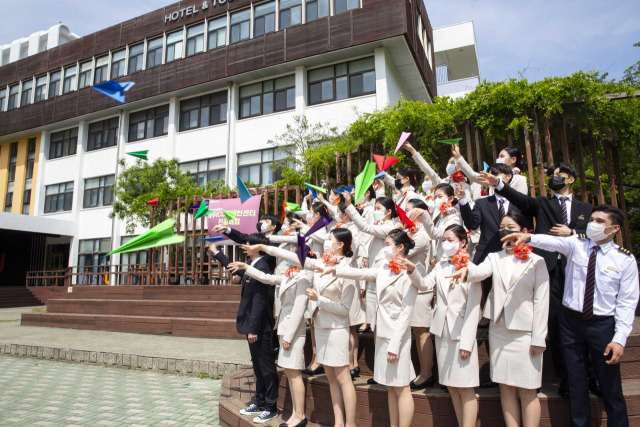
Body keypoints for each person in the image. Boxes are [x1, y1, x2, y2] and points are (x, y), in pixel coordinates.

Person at [501, 205, 639, 427]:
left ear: (615, 228)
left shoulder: (625, 260)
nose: (592, 224)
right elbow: (551, 242)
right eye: (591, 219)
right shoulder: (578, 244)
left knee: (610, 385)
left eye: (600, 221)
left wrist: (619, 338)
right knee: (575, 383)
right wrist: (526, 237)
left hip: (602, 326)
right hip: (570, 323)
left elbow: (627, 302)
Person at [478, 162, 594, 396]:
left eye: (560, 175)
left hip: (576, 272)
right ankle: (565, 378)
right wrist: (499, 184)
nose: (555, 178)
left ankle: (589, 375)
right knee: (555, 323)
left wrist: (572, 233)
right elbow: (520, 199)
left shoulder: (586, 208)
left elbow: (593, 232)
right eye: (552, 176)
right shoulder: (542, 204)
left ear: (571, 179)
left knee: (579, 323)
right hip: (548, 268)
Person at [251, 228, 359, 427]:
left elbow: (345, 310)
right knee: (331, 379)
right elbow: (293, 256)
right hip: (321, 327)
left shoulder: (347, 269)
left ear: (341, 244)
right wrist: (265, 247)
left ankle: (350, 424)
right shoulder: (321, 263)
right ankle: (338, 422)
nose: (326, 241)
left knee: (343, 378)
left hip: (337, 329)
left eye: (329, 238)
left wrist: (320, 300)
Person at [450, 213, 549, 427]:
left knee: (528, 388)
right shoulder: (496, 257)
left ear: (524, 231)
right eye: (502, 226)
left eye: (510, 226)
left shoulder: (537, 261)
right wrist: (465, 266)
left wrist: (539, 337)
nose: (504, 230)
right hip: (499, 329)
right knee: (505, 386)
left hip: (526, 332)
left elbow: (542, 301)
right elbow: (479, 273)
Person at [316, 229, 420, 427]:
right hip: (382, 334)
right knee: (390, 387)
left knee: (402, 387)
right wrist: (334, 270)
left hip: (397, 338)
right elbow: (361, 272)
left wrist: (395, 345)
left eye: (388, 244)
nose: (385, 248)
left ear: (400, 248)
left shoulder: (410, 274)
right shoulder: (385, 269)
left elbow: (406, 314)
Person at [228, 245, 313, 427]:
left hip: (293, 332)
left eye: (292, 253)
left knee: (295, 374)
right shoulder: (291, 275)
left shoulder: (305, 277)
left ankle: (300, 416)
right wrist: (246, 267)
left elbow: (299, 310)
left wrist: (289, 337)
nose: (288, 257)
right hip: (284, 329)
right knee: (290, 374)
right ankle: (296, 415)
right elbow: (267, 278)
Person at [408, 225, 482, 427]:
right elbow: (424, 285)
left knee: (466, 388)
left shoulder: (472, 269)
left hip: (461, 334)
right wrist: (412, 270)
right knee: (451, 385)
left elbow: (474, 307)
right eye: (444, 240)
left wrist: (467, 342)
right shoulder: (440, 266)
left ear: (463, 242)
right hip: (442, 331)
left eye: (451, 240)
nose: (446, 244)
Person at [209, 242, 279, 424]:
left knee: (266, 367)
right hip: (253, 325)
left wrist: (253, 328)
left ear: (258, 248)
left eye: (249, 245)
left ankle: (271, 407)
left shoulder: (262, 267)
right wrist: (217, 253)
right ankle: (260, 401)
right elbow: (237, 270)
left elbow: (259, 301)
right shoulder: (253, 265)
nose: (245, 247)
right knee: (257, 366)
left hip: (260, 326)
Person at [401, 198, 435, 389]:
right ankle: (422, 371)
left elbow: (404, 250)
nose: (406, 214)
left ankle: (426, 373)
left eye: (410, 211)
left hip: (422, 287)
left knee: (422, 332)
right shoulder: (409, 232)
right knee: (417, 330)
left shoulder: (422, 234)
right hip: (410, 286)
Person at [408, 183, 463, 267]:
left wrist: (424, 214)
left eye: (440, 197)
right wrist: (433, 257)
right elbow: (435, 242)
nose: (437, 200)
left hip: (447, 261)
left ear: (451, 198)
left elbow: (435, 234)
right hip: (437, 261)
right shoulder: (439, 216)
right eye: (435, 197)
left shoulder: (454, 218)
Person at [400, 141, 474, 201]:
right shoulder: (443, 183)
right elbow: (427, 169)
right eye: (448, 162)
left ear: (461, 167)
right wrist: (412, 150)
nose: (449, 165)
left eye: (452, 163)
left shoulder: (466, 187)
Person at [452, 144, 529, 195]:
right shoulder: (492, 177)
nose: (498, 159)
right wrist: (458, 157)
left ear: (513, 160)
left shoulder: (519, 179)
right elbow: (472, 175)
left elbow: (522, 203)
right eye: (498, 157)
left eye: (502, 156)